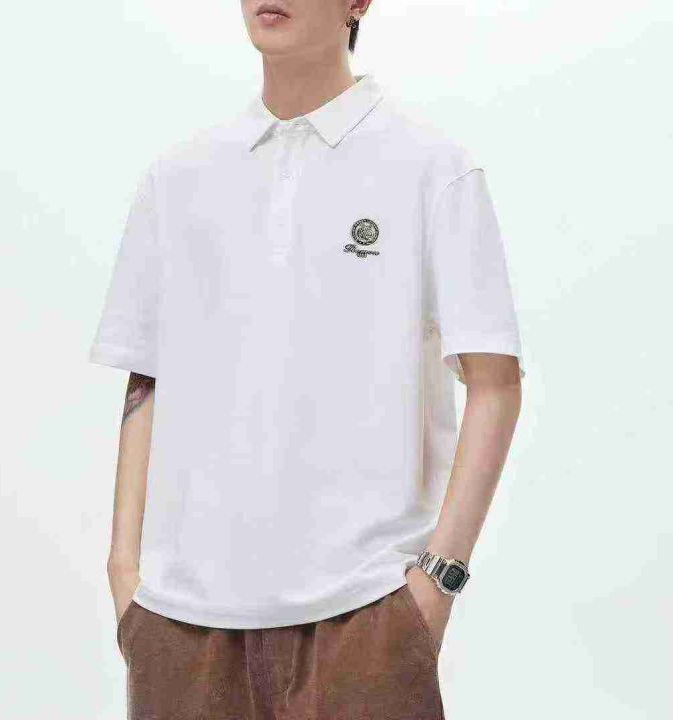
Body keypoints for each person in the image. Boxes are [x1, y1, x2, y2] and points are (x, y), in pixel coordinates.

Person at [88, 1, 524, 717]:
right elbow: (147, 378)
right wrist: (125, 573)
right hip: (180, 622)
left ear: (358, 3)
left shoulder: (430, 167)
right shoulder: (177, 179)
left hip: (365, 615)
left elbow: (495, 384)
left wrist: (437, 582)